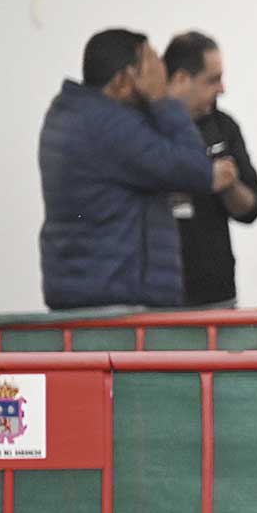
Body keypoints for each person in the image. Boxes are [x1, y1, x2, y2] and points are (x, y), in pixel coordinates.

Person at [38, 28, 212, 310]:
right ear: (123, 80)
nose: (160, 80)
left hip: (95, 292)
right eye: (152, 71)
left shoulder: (76, 115)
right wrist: (162, 101)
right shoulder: (109, 127)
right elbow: (196, 170)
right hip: (115, 302)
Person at [165, 31, 257, 307]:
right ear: (182, 79)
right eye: (212, 79)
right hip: (158, 297)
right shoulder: (144, 129)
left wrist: (228, 184)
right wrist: (202, 175)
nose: (222, 89)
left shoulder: (223, 127)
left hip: (216, 294)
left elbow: (251, 209)